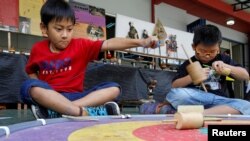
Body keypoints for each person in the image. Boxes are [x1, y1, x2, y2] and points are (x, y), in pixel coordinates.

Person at [20, 0, 158, 119]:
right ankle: (80, 111)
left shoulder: (81, 45)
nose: (65, 35)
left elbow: (109, 43)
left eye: (69, 29)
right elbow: (31, 71)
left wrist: (141, 42)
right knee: (29, 87)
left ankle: (63, 110)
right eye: (59, 29)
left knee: (114, 88)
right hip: (50, 97)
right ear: (44, 28)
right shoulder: (38, 49)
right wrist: (42, 92)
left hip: (78, 98)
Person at [140, 24, 250, 115]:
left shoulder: (223, 58)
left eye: (212, 51)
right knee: (176, 94)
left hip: (218, 100)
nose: (207, 55)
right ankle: (200, 112)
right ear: (194, 47)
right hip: (195, 99)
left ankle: (196, 114)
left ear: (219, 48)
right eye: (202, 51)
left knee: (247, 106)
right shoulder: (188, 63)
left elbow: (245, 75)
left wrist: (227, 67)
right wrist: (192, 76)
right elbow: (175, 86)